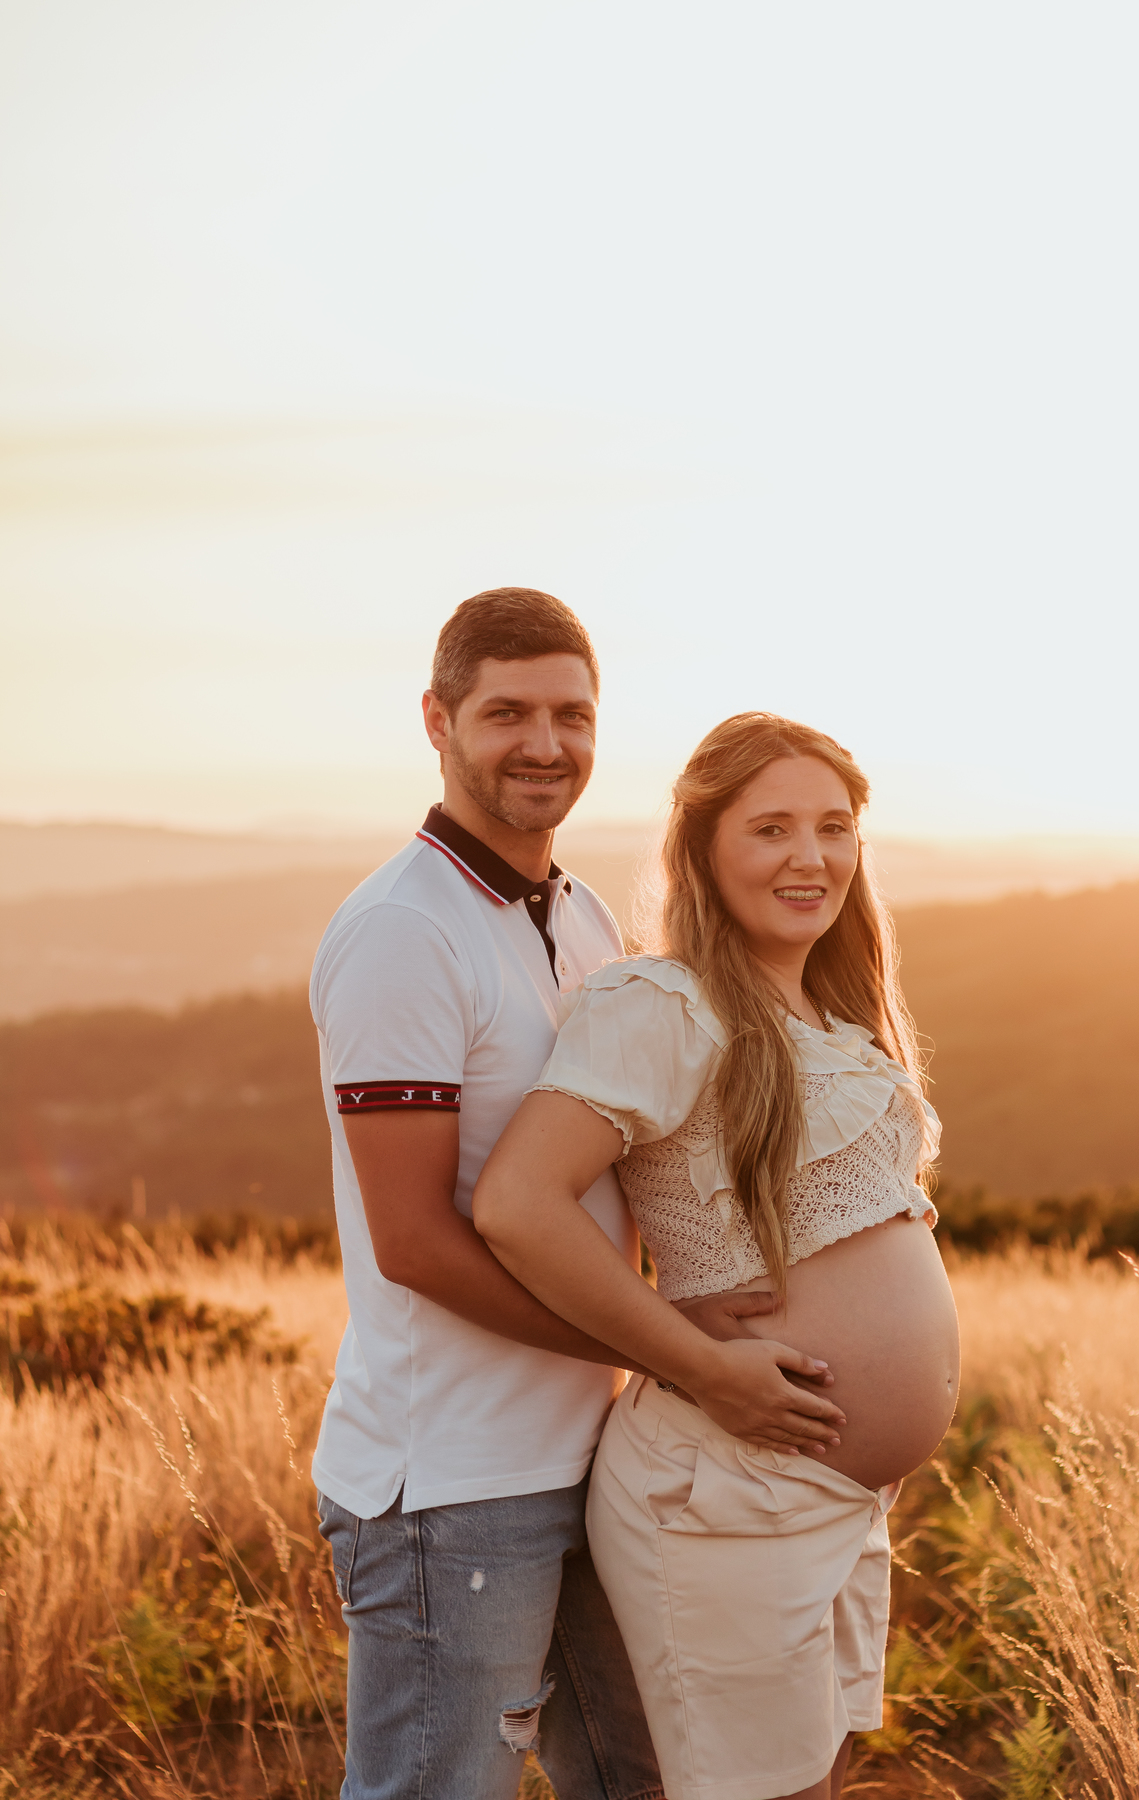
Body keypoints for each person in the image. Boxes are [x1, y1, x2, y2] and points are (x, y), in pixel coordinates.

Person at [310, 595, 815, 1800]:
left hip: (593, 1461)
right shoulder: (402, 931)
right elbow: (415, 1244)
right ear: (437, 721)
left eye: (572, 716)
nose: (545, 744)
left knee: (648, 1778)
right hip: (452, 1486)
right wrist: (681, 1354)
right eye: (507, 714)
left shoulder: (580, 917)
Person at [475, 712, 962, 1800]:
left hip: (830, 1497)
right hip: (725, 1491)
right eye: (771, 828)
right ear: (702, 847)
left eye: (833, 828)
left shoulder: (832, 1010)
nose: (810, 857)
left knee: (817, 1779)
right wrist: (698, 1361)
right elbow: (518, 1204)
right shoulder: (665, 1000)